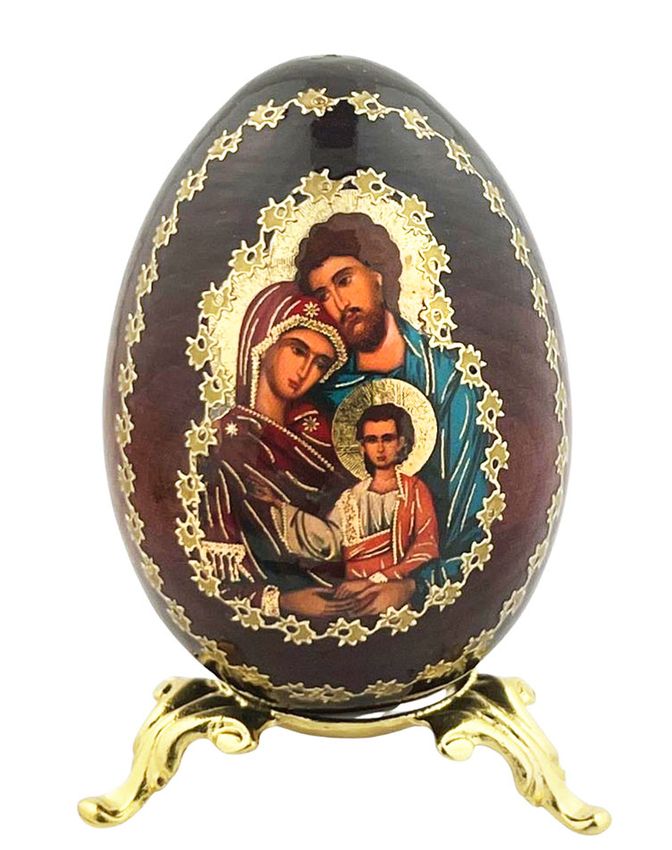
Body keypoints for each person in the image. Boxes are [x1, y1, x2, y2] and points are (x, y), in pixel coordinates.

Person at [294, 212, 490, 612]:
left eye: (344, 280)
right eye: (323, 295)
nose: (339, 304)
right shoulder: (325, 397)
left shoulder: (447, 381)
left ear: (377, 275)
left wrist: (412, 586)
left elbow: (471, 526)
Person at [198, 281, 354, 620]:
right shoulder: (225, 444)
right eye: (297, 350)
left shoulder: (320, 441)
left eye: (320, 363)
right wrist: (282, 602)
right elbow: (214, 581)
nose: (305, 371)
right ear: (264, 342)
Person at [265, 404, 439, 603]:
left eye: (387, 439)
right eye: (372, 440)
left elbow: (426, 546)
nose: (380, 448)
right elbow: (329, 540)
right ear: (362, 447)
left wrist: (380, 578)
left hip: (391, 589)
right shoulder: (351, 498)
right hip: (351, 592)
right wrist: (278, 505)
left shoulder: (414, 491)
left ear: (401, 443)